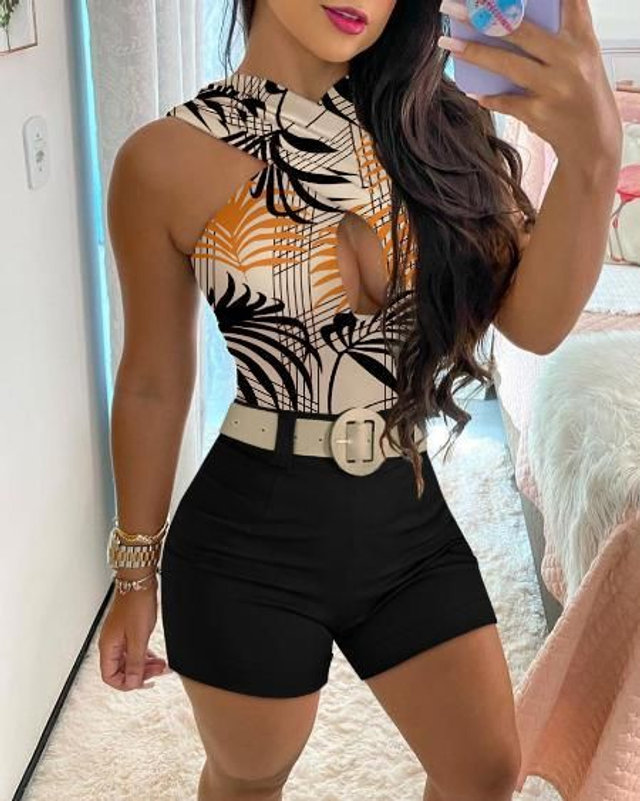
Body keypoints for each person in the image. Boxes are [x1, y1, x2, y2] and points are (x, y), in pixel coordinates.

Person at [97, 1, 623, 799]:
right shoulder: (165, 159)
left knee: (486, 770)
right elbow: (152, 382)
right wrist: (134, 573)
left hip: (404, 516)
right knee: (249, 776)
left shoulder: (435, 132)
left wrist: (593, 155)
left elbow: (537, 324)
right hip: (248, 538)